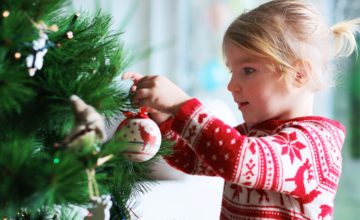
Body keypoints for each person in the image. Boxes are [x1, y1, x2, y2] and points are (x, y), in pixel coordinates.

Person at [122, 0, 360, 219]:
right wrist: (164, 118)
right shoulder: (253, 134)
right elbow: (190, 158)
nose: (231, 85)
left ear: (299, 74)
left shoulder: (315, 145)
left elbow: (236, 158)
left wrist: (181, 105)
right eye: (231, 71)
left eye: (247, 70)